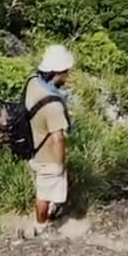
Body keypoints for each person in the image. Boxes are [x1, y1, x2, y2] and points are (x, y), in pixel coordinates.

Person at [26, 44, 74, 234]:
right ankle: (41, 225)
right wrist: (60, 164)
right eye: (66, 73)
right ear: (58, 72)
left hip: (33, 145)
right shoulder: (53, 106)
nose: (67, 76)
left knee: (43, 188)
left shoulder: (33, 82)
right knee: (44, 194)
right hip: (47, 157)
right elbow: (58, 139)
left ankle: (46, 216)